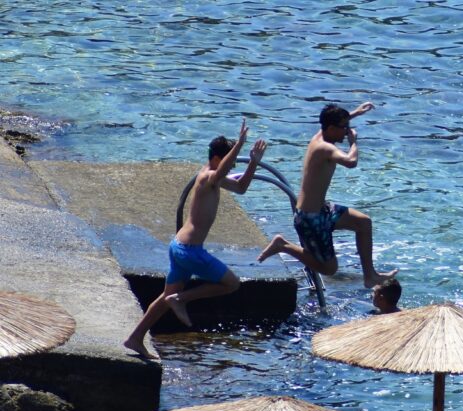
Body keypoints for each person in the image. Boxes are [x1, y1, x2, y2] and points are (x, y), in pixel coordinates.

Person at [124, 119, 267, 359]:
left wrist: (253, 162)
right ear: (218, 158)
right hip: (189, 250)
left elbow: (241, 188)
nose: (230, 169)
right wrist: (240, 145)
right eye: (228, 161)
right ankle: (181, 298)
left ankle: (135, 338)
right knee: (231, 283)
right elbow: (220, 172)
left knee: (163, 299)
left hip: (179, 247)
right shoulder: (207, 176)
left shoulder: (215, 178)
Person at [257, 102, 397, 288]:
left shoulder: (320, 135)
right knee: (329, 269)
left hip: (324, 210)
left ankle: (369, 275)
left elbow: (331, 123)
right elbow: (350, 162)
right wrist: (354, 142)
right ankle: (283, 245)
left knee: (364, 223)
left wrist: (355, 113)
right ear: (331, 129)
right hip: (310, 218)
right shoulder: (325, 148)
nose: (347, 131)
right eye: (344, 128)